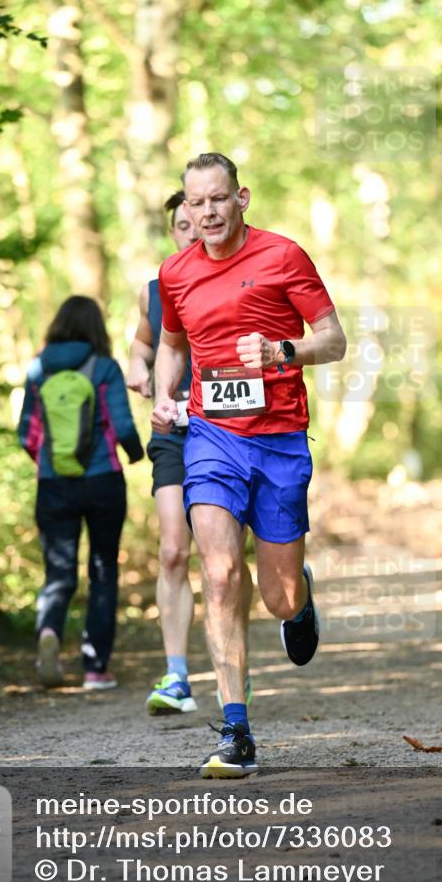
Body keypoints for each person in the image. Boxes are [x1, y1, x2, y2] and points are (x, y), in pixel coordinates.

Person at [151, 153, 346, 778]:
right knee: (218, 568)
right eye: (195, 202)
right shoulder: (174, 273)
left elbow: (334, 338)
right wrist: (162, 391)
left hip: (281, 437)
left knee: (277, 599)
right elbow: (172, 343)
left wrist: (280, 350)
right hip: (212, 437)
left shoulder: (283, 256)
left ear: (242, 199)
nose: (206, 212)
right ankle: (235, 729)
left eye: (218, 199)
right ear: (185, 208)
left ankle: (300, 598)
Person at [127, 192, 253, 715]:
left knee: (226, 563)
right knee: (175, 550)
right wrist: (138, 369)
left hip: (231, 430)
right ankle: (177, 676)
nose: (192, 229)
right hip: (174, 430)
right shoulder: (156, 289)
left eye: (197, 220)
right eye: (181, 224)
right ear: (175, 230)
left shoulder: (241, 277)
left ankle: (236, 664)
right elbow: (143, 343)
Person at [18, 296, 144, 691]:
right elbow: (122, 424)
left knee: (59, 573)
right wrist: (138, 454)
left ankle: (48, 635)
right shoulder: (104, 367)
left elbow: (27, 432)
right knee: (103, 569)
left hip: (54, 485)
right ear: (95, 328)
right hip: (103, 479)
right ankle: (95, 668)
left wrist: (49, 463)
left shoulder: (38, 369)